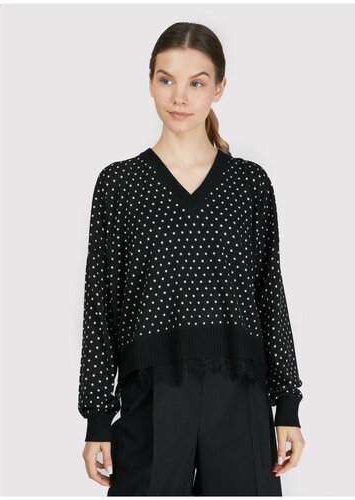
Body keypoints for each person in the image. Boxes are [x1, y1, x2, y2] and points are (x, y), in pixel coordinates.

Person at [78, 21, 306, 496]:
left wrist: (287, 403)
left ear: (219, 88)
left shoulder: (250, 184)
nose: (179, 97)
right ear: (150, 82)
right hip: (151, 394)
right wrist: (97, 416)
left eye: (196, 83)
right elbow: (100, 303)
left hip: (240, 393)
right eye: (167, 80)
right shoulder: (119, 185)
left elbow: (270, 293)